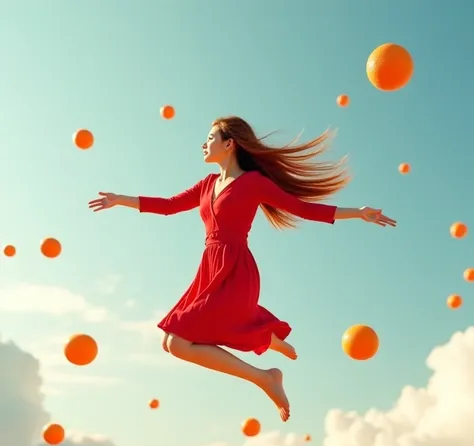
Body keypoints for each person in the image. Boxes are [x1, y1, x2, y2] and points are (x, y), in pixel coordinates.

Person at [88, 116, 396, 422]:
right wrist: (120, 200)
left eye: (210, 138)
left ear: (229, 143)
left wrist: (358, 213)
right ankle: (265, 345)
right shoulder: (208, 184)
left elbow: (302, 208)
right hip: (209, 269)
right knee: (170, 343)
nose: (203, 144)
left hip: (236, 269)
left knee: (178, 341)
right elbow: (169, 205)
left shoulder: (253, 183)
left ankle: (264, 376)